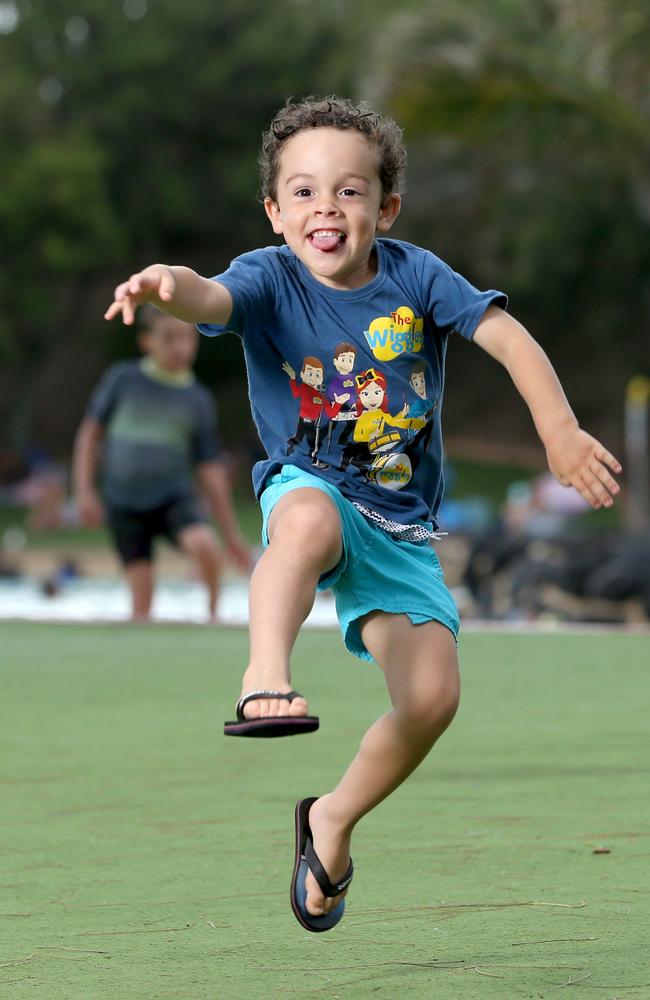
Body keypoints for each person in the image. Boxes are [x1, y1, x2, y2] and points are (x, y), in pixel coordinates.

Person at [103, 96, 622, 931]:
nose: (327, 210)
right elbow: (209, 300)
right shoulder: (266, 277)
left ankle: (330, 820)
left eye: (350, 192)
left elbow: (509, 338)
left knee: (432, 700)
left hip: (401, 523)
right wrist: (170, 285)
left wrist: (558, 434)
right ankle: (264, 676)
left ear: (386, 208)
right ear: (274, 212)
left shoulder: (418, 276)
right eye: (303, 193)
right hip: (307, 485)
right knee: (304, 523)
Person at [73, 305, 251, 621]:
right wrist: (84, 491)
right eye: (169, 338)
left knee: (205, 545)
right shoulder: (122, 380)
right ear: (147, 342)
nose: (180, 347)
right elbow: (90, 435)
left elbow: (210, 470)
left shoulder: (197, 399)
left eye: (186, 338)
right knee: (141, 603)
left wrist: (232, 534)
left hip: (172, 498)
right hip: (123, 502)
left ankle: (213, 617)